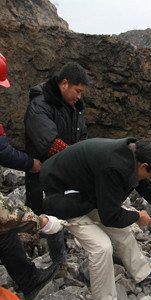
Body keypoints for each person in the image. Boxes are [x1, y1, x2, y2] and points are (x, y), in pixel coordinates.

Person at [40, 137, 151, 300]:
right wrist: (137, 216)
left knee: (122, 231)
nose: (149, 178)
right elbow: (110, 217)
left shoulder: (133, 155)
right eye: (150, 174)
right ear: (143, 165)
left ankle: (142, 274)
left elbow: (145, 186)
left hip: (84, 190)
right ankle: (105, 297)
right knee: (102, 247)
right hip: (60, 195)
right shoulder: (113, 167)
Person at [0, 52, 63, 299]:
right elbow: (3, 151)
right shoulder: (39, 108)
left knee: (4, 234)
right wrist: (40, 223)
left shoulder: (72, 108)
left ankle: (29, 279)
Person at [24, 62, 89, 266]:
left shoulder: (75, 108)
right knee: (49, 212)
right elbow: (49, 144)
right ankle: (58, 261)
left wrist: (81, 156)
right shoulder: (40, 105)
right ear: (63, 83)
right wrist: (78, 159)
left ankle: (67, 243)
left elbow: (82, 136)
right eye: (77, 91)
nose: (79, 96)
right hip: (43, 172)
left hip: (66, 171)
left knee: (65, 210)